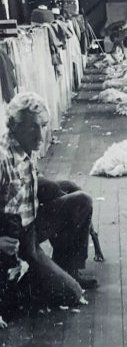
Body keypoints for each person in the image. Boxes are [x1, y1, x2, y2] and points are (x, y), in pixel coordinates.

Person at [0, 93, 91, 315]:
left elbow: (28, 184)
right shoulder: (3, 159)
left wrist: (60, 189)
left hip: (30, 225)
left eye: (43, 125)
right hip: (15, 242)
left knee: (80, 200)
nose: (41, 135)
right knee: (73, 294)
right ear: (14, 126)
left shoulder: (24, 147)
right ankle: (27, 284)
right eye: (33, 128)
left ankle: (68, 269)